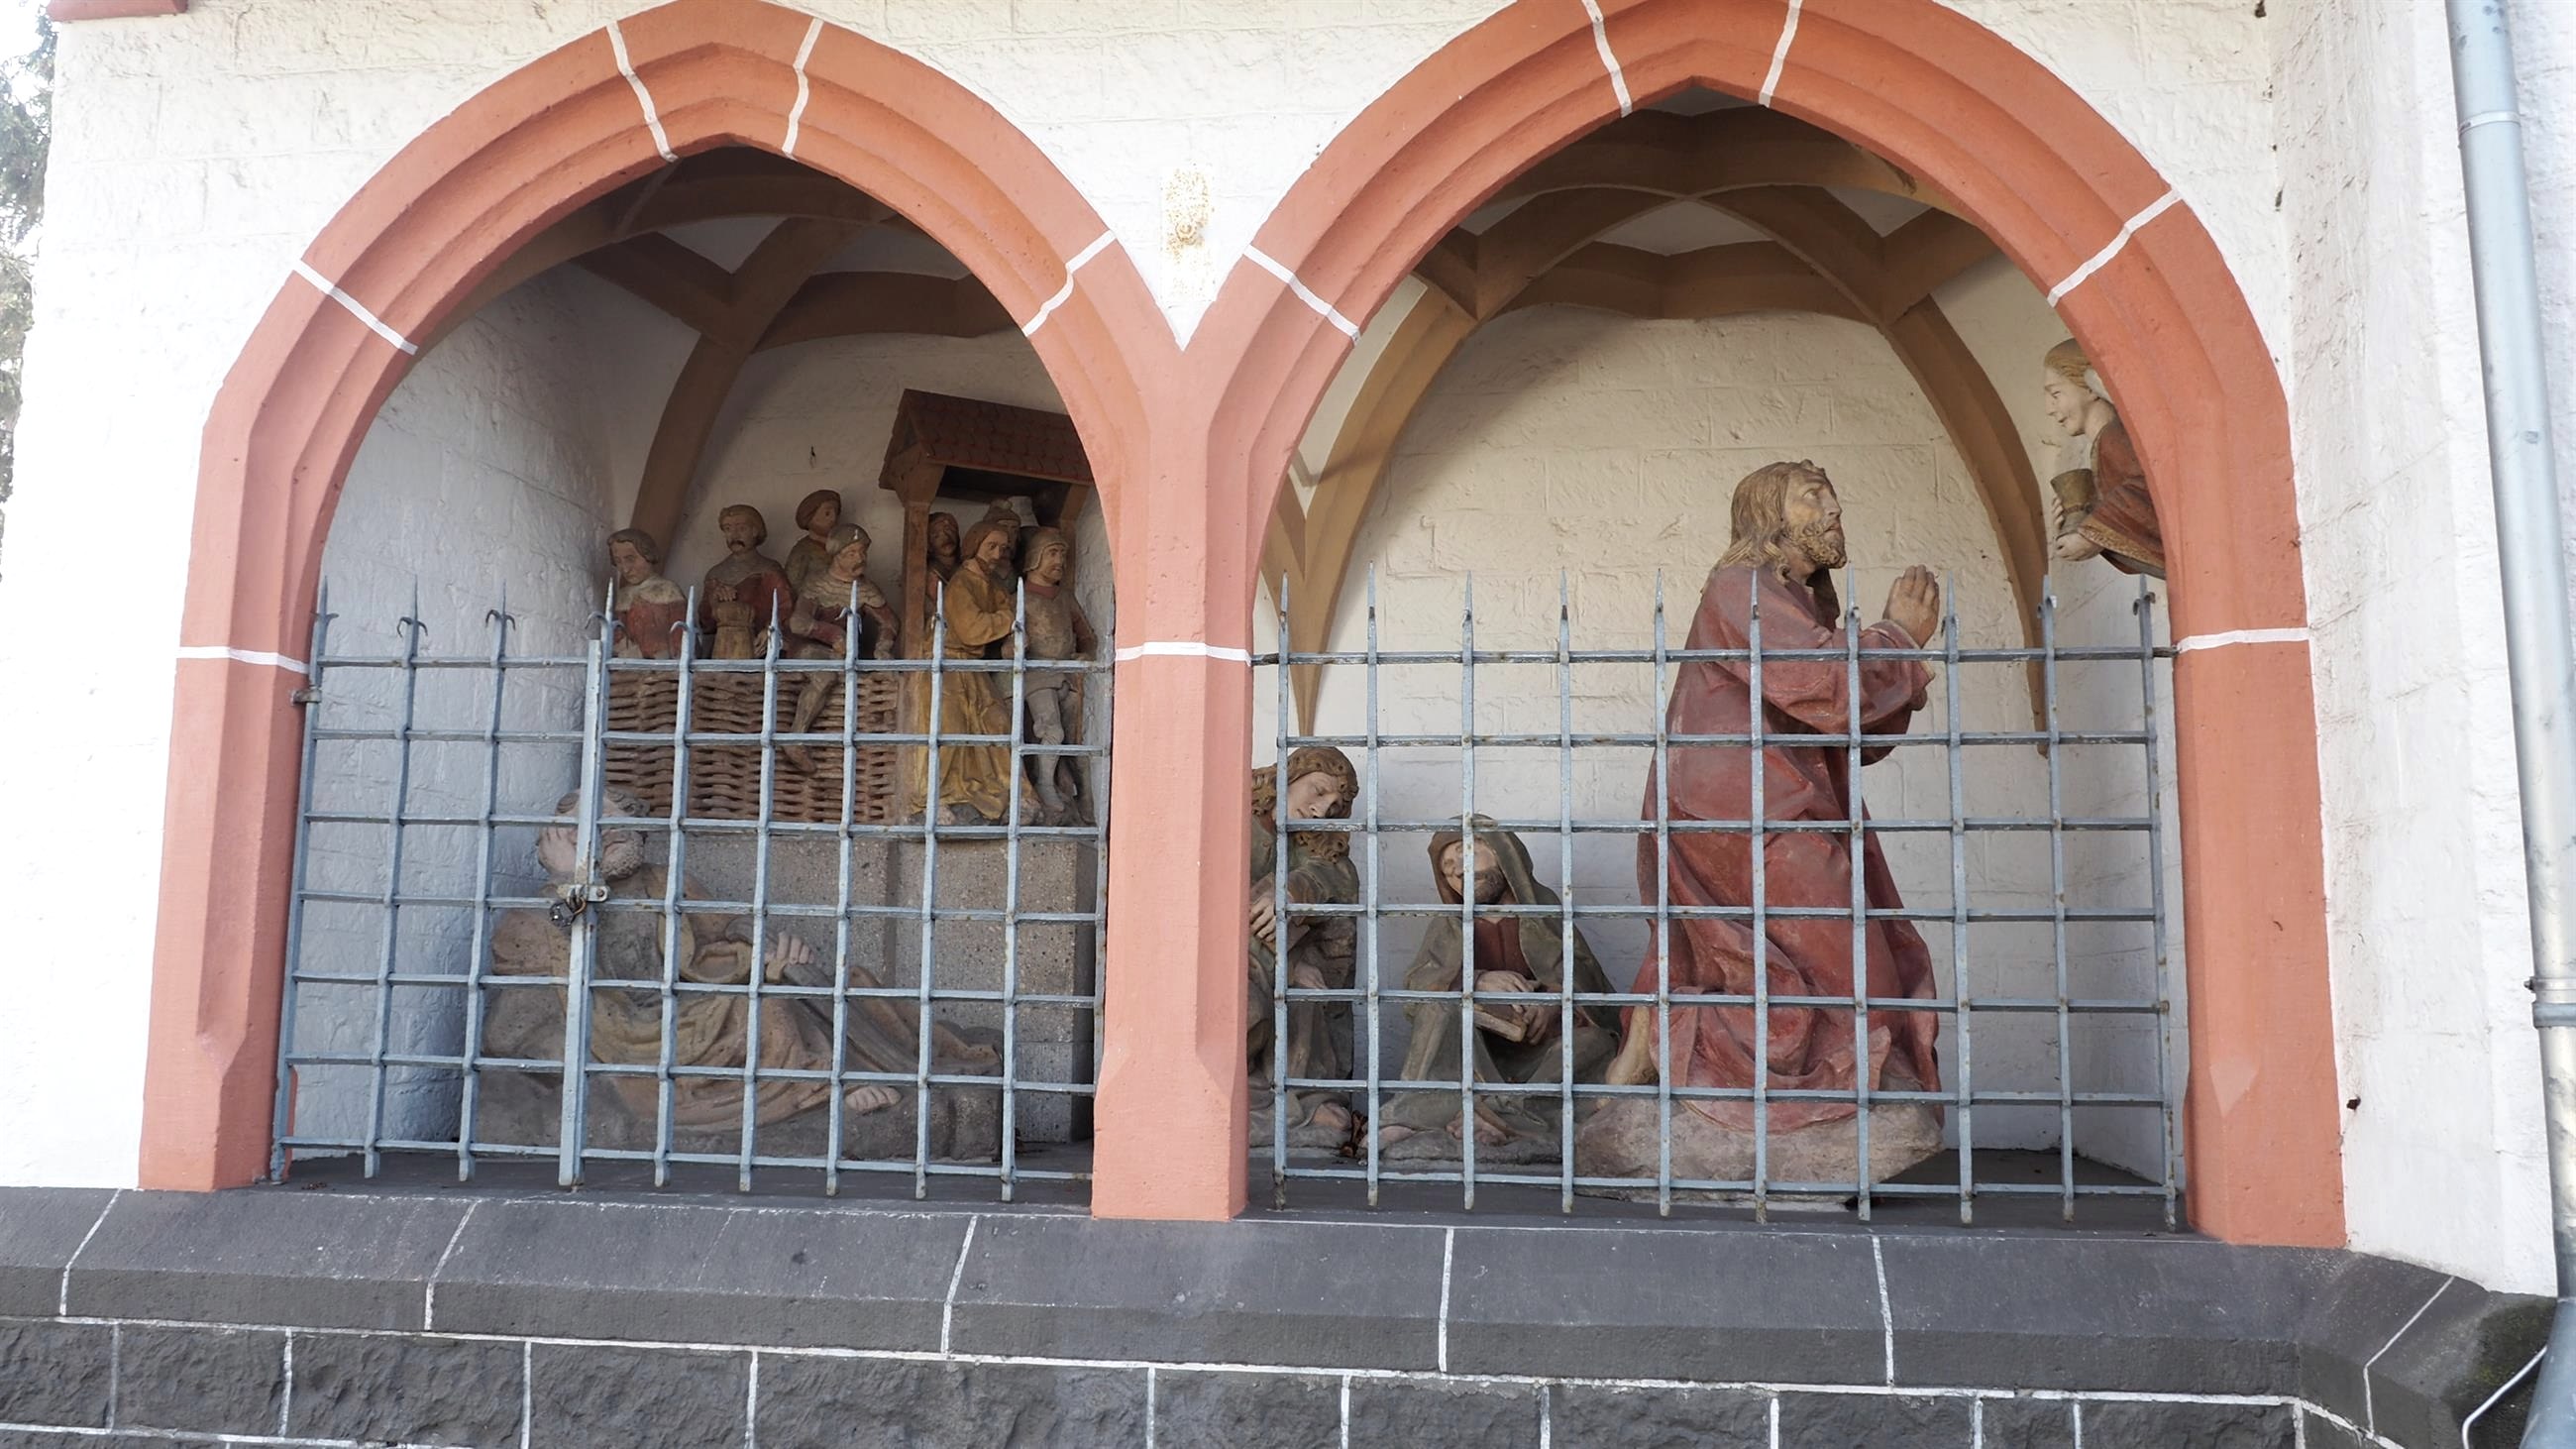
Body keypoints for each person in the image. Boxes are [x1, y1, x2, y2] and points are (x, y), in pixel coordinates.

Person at [1602, 460, 1944, 1143]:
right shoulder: (1741, 586)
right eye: (1813, 497)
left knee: (1807, 969)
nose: (1833, 508)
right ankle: (1688, 1043)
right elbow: (1822, 684)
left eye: (1833, 494)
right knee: (1854, 968)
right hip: (1744, 810)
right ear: (1769, 516)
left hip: (1779, 802)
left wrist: (1892, 668)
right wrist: (1896, 640)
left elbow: (1848, 730)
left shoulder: (1796, 603)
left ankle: (1661, 1047)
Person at [483, 789, 997, 1138]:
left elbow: (720, 937)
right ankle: (826, 1088)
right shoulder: (536, 914)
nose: (610, 829)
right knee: (761, 1009)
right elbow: (541, 1001)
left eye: (620, 820)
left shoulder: (667, 884)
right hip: (631, 1029)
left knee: (841, 983)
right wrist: (572, 883)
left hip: (692, 1003)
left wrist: (766, 951)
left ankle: (894, 1062)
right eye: (591, 826)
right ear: (559, 842)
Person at [1376, 818, 1618, 1155]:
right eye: (1448, 868)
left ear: (1504, 854)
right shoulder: (1450, 924)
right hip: (1474, 1054)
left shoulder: (1543, 910)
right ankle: (1413, 1116)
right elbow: (1418, 985)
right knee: (1438, 1006)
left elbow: (1586, 978)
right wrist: (1476, 980)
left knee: (1597, 1042)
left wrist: (1553, 1003)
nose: (1459, 871)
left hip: (1539, 1056)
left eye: (1467, 854)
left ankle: (1504, 1113)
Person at [1247, 745, 1361, 1149]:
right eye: (1318, 790)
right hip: (1223, 961)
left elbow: (1334, 879)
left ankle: (1303, 1097)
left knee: (1306, 993)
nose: (1321, 810)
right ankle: (1258, 1104)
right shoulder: (1232, 819)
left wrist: (1292, 891)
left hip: (1287, 960)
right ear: (1290, 775)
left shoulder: (1315, 848)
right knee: (1246, 1008)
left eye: (1334, 808)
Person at [902, 511, 1021, 823]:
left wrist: (1012, 626)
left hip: (971, 667)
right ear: (975, 546)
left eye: (1003, 548)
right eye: (991, 546)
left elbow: (1012, 611)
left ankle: (1015, 793)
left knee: (997, 723)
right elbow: (972, 629)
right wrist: (1007, 621)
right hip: (945, 664)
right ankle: (932, 798)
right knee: (948, 729)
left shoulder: (991, 585)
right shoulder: (962, 583)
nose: (998, 554)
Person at [2040, 337, 2164, 578]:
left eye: (2056, 393)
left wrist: (2091, 533)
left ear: (2089, 387)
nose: (2049, 408)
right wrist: (2081, 515)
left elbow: (2150, 489)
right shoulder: (2106, 444)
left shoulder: (2116, 437)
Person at [781, 524, 898, 773]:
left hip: (845, 656)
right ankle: (795, 738)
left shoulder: (866, 588)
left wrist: (883, 647)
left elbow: (889, 621)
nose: (860, 558)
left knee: (889, 679)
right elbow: (798, 622)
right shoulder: (817, 583)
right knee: (824, 676)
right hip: (809, 649)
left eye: (863, 552)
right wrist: (833, 634)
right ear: (837, 555)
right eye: (852, 553)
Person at [1017, 526, 1098, 823]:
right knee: (1051, 730)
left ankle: (1084, 796)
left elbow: (1087, 635)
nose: (1059, 561)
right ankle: (1045, 785)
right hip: (1036, 673)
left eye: (1062, 555)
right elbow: (1007, 638)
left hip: (1067, 673)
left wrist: (1086, 653)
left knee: (1075, 741)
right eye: (1052, 553)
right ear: (1034, 557)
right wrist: (1014, 646)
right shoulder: (1020, 597)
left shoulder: (1065, 597)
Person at [698, 503, 794, 660]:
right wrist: (714, 600)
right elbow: (706, 625)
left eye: (741, 528)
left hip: (761, 647)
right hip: (724, 648)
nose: (734, 535)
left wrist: (770, 630)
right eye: (728, 529)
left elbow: (785, 608)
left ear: (755, 531)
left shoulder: (768, 569)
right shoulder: (716, 574)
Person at [606, 528, 689, 660]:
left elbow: (682, 638)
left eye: (630, 559)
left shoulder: (667, 590)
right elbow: (618, 635)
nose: (625, 569)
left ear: (648, 555)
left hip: (662, 662)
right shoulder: (623, 594)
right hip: (630, 662)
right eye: (618, 561)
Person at [782, 489, 846, 597]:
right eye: (827, 513)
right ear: (809, 517)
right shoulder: (802, 550)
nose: (833, 518)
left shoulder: (843, 546)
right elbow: (792, 585)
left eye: (836, 513)